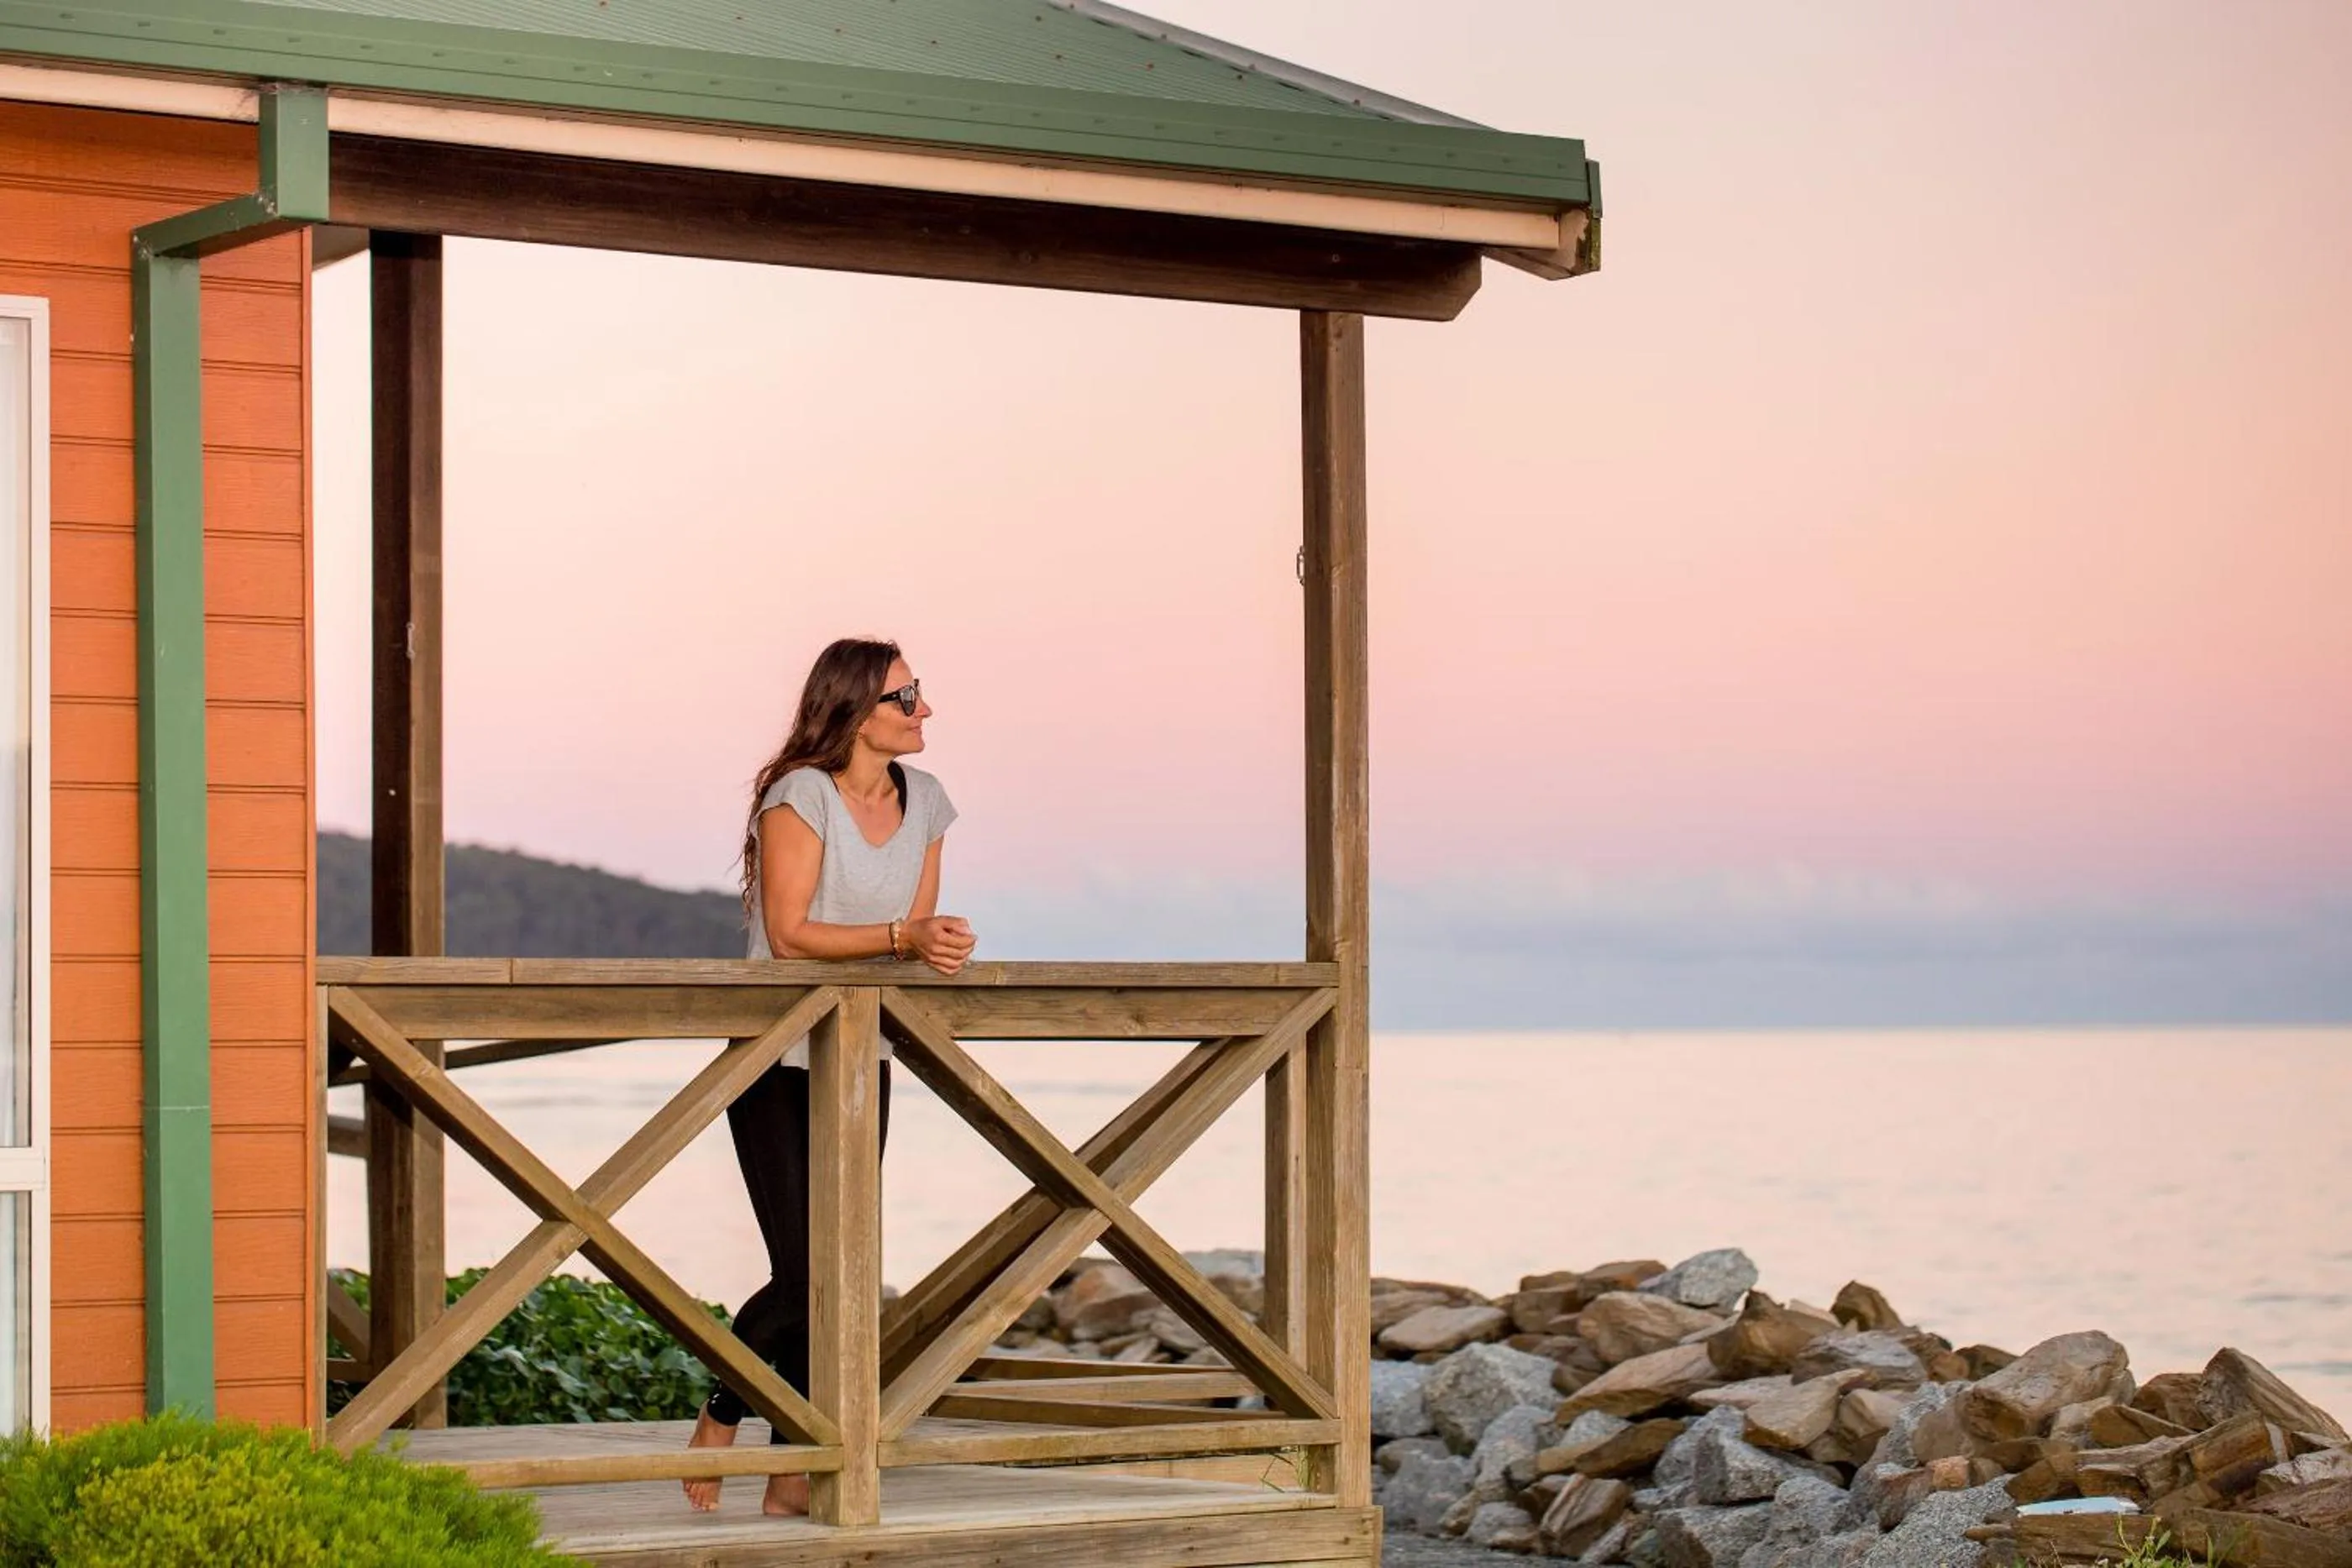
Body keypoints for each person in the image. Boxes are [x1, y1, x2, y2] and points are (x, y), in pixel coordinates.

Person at [684, 637, 974, 1515]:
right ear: (853, 707)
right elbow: (789, 933)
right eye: (906, 695)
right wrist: (902, 940)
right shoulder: (799, 795)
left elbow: (915, 932)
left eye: (918, 694)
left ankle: (788, 1475)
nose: (924, 709)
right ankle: (722, 1414)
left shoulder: (928, 802)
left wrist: (937, 947)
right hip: (775, 1055)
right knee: (808, 1265)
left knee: (837, 1268)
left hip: (860, 1056)